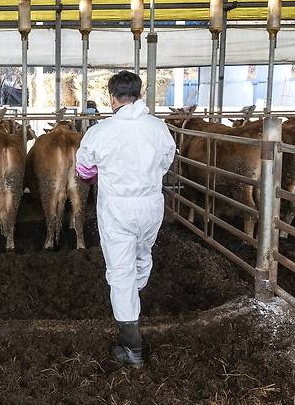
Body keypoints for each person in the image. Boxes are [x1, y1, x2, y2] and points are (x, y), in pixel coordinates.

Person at [75, 71, 176, 368]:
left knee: (120, 275)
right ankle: (136, 289)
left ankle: (132, 348)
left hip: (117, 208)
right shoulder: (158, 127)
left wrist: (98, 176)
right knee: (143, 254)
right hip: (150, 205)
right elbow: (166, 160)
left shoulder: (100, 131)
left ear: (111, 98)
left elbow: (84, 170)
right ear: (140, 94)